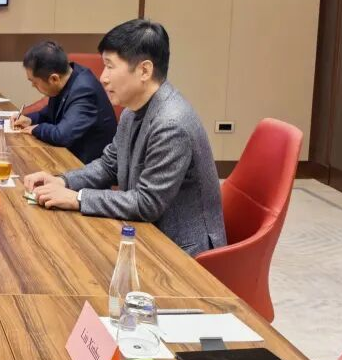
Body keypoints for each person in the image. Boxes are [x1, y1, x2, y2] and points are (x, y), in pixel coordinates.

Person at [23, 19, 226, 256]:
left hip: (182, 252)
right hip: (146, 232)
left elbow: (147, 203)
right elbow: (109, 165)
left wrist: (78, 198)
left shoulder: (171, 124)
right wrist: (63, 181)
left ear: (144, 71)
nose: (103, 77)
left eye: (110, 66)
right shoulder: (132, 111)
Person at [12, 40, 117, 163]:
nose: (33, 86)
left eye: (34, 82)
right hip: (69, 156)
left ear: (54, 79)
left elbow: (62, 135)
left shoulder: (84, 90)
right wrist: (30, 120)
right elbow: (49, 113)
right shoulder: (67, 77)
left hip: (88, 166)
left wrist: (36, 129)